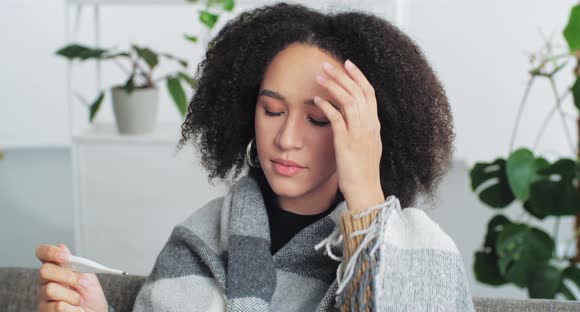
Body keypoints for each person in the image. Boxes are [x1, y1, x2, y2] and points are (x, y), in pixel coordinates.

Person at [35, 2, 475, 311]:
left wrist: (365, 198)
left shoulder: (417, 249)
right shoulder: (199, 240)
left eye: (317, 119)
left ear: (364, 131)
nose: (286, 138)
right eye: (272, 110)